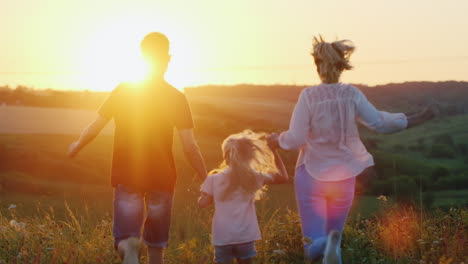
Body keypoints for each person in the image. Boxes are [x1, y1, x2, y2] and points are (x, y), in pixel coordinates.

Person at [268, 36, 434, 264]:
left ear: (317, 66)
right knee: (334, 245)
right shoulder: (351, 94)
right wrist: (412, 119)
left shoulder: (308, 96)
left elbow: (295, 138)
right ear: (341, 66)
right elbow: (379, 123)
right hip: (344, 177)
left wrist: (278, 140)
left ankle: (325, 243)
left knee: (312, 245)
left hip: (310, 175)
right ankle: (332, 244)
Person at [68, 32, 207, 264]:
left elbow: (95, 127)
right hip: (162, 177)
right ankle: (138, 251)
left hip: (127, 173)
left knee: (123, 239)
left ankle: (128, 248)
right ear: (168, 59)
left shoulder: (124, 90)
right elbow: (190, 146)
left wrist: (77, 145)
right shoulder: (177, 97)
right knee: (156, 246)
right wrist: (206, 178)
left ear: (141, 57)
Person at [198, 130, 289, 264]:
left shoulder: (214, 179)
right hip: (245, 236)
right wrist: (273, 151)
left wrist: (208, 194)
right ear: (248, 157)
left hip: (223, 238)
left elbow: (202, 203)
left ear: (225, 156)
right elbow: (283, 177)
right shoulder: (253, 177)